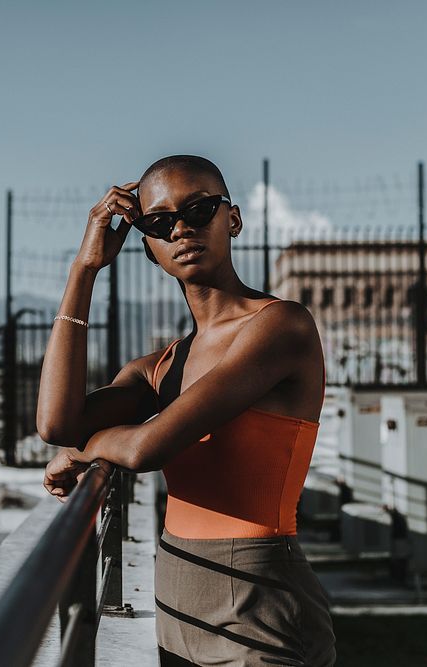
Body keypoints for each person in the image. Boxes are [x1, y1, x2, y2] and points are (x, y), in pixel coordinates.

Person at [37, 155, 336, 666]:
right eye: (158, 222)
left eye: (199, 210)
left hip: (260, 602)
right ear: (149, 247)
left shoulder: (279, 327)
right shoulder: (165, 365)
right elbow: (55, 422)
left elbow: (148, 447)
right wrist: (84, 269)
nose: (180, 228)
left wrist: (81, 450)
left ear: (233, 219)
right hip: (176, 596)